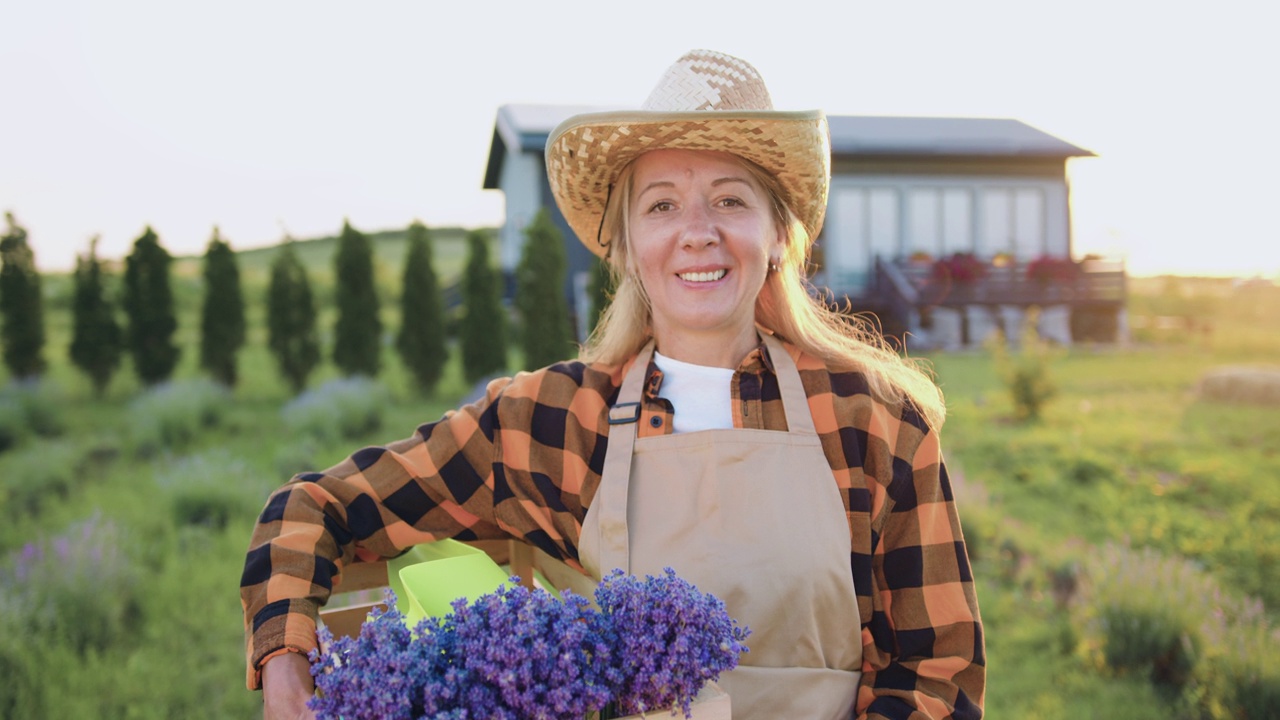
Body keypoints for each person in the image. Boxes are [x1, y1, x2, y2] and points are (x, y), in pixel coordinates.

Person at [243, 49, 985, 720]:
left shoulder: (875, 420)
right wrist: (287, 670)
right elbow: (312, 509)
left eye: (730, 199)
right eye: (661, 204)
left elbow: (938, 675)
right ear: (627, 247)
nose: (697, 231)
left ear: (779, 236)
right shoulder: (549, 421)